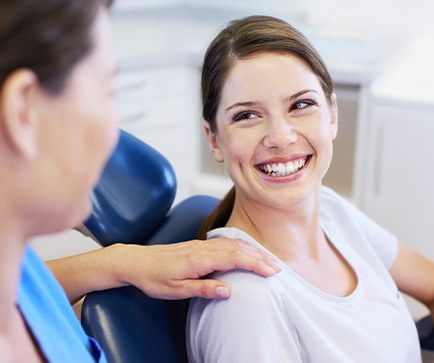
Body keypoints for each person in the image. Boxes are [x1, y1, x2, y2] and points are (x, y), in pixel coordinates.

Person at [0, 2, 282, 361]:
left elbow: (33, 285)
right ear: (23, 112)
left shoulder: (17, 268)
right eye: (106, 92)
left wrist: (120, 263)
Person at [187, 15, 434, 362]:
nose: (281, 137)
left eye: (301, 105)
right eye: (247, 115)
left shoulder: (332, 212)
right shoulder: (246, 301)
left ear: (332, 114)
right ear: (213, 139)